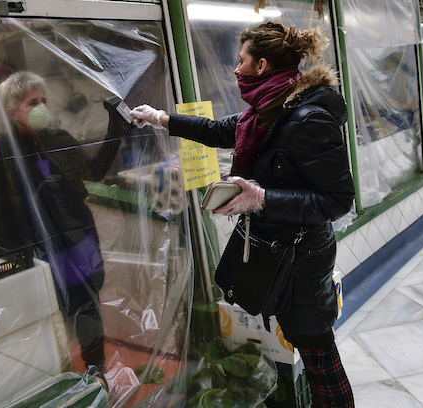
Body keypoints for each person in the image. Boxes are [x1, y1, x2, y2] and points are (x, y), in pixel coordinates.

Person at [130, 22, 356, 407]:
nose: (235, 69)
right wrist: (160, 118)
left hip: (302, 262)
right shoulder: (270, 110)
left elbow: (338, 200)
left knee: (318, 354)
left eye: (241, 60)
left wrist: (262, 198)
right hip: (281, 254)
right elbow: (220, 129)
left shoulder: (306, 118)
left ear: (262, 64)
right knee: (307, 344)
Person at [0, 71, 125, 384]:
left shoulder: (58, 140)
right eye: (33, 102)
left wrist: (117, 127)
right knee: (49, 314)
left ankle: (96, 374)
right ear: (12, 111)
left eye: (44, 101)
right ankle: (60, 381)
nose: (42, 107)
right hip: (36, 248)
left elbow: (93, 172)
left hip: (77, 239)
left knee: (87, 306)